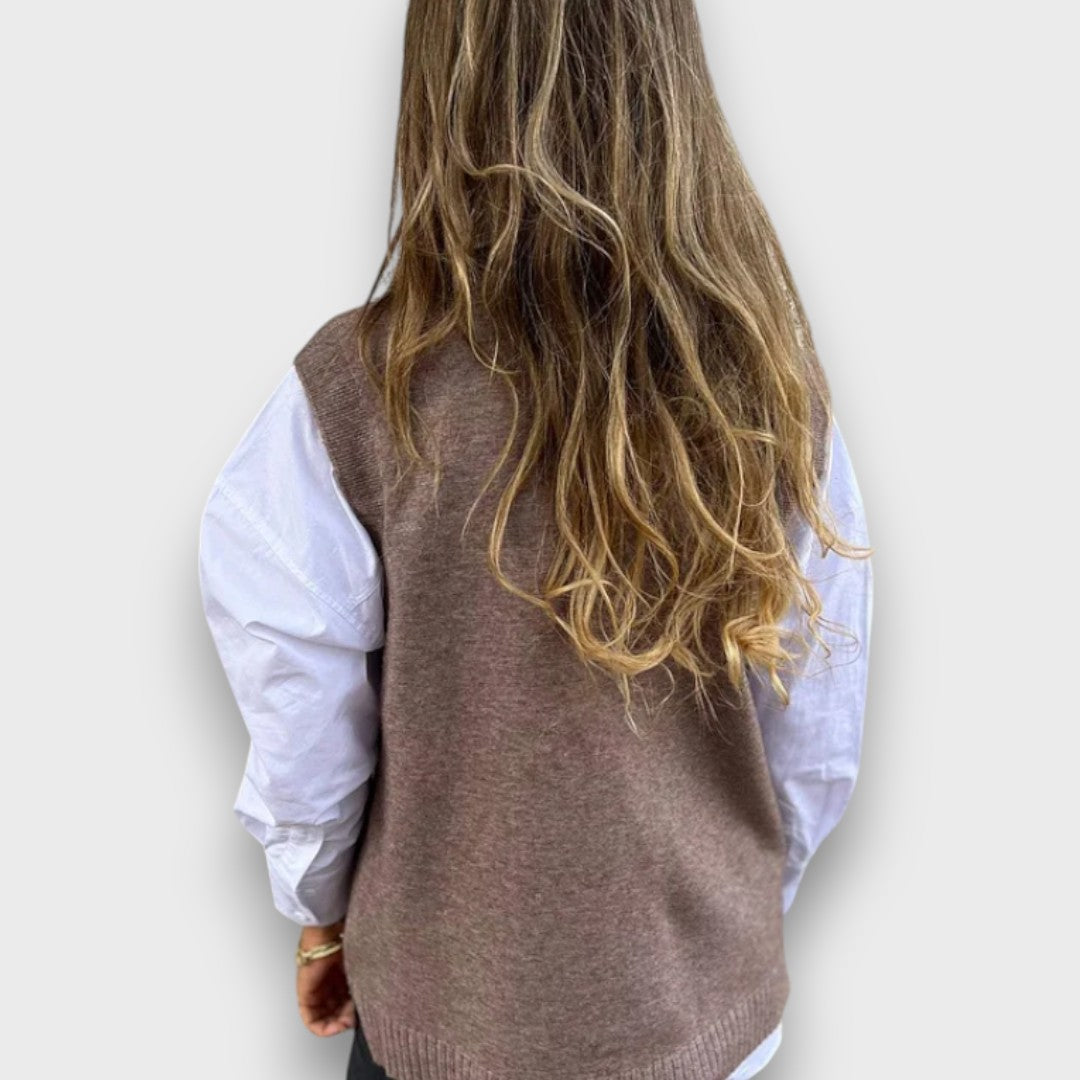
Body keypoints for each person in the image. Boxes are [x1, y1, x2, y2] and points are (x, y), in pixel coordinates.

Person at [197, 2, 873, 1078]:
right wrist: (718, 916)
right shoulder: (764, 387)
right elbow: (817, 730)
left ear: (441, 95)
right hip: (699, 1024)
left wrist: (324, 915)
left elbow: (303, 725)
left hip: (448, 1020)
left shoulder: (360, 393)